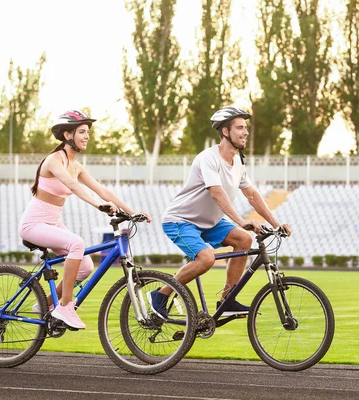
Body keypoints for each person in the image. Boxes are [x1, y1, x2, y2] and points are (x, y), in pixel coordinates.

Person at [150, 106, 292, 318]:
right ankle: (160, 295)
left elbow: (252, 195)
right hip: (181, 220)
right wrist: (240, 221)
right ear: (226, 132)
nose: (245, 132)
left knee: (244, 241)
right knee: (206, 259)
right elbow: (216, 193)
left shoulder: (238, 163)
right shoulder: (208, 158)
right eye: (240, 128)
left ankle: (227, 299)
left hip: (210, 222)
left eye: (246, 128)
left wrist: (275, 223)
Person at [18, 110, 151, 330]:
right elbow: (72, 186)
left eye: (88, 132)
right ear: (67, 135)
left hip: (53, 223)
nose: (87, 136)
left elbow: (103, 190)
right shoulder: (54, 160)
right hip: (33, 224)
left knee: (85, 266)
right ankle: (64, 305)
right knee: (77, 244)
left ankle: (45, 304)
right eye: (82, 131)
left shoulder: (77, 167)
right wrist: (97, 205)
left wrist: (133, 211)